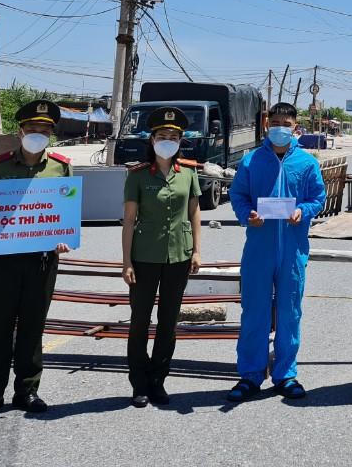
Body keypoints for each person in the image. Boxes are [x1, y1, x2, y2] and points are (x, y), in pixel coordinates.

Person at [0, 101, 73, 420]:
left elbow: (66, 210)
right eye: (32, 129)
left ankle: (27, 390)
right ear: (20, 131)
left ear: (51, 134)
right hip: (3, 260)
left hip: (42, 261)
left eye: (44, 130)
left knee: (32, 329)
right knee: (0, 330)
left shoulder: (60, 167)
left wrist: (64, 237)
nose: (38, 134)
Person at [226, 102, 327, 402]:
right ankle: (250, 375)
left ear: (296, 127)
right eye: (275, 122)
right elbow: (238, 195)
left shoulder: (306, 163)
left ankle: (286, 374)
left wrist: (302, 211)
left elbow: (318, 197)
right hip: (259, 249)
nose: (280, 128)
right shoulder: (251, 160)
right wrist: (247, 215)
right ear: (267, 124)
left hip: (293, 250)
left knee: (289, 313)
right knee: (254, 312)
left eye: (286, 123)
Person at [121, 106, 202, 408]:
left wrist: (197, 250)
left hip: (178, 256)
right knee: (140, 322)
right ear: (152, 139)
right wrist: (126, 262)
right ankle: (139, 383)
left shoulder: (188, 172)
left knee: (168, 322)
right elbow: (129, 220)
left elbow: (194, 213)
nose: (168, 140)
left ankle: (158, 381)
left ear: (180, 141)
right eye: (162, 136)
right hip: (144, 257)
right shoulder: (138, 175)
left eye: (173, 136)